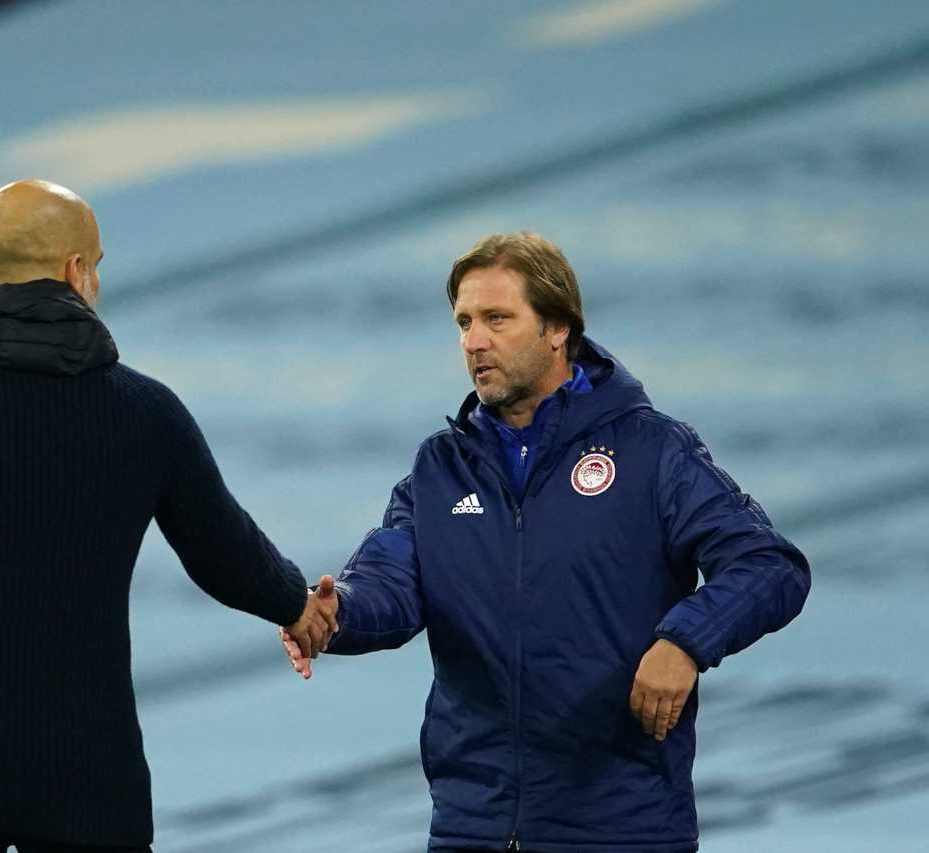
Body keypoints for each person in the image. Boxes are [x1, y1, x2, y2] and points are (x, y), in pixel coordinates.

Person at [0, 179, 336, 853]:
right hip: (85, 769)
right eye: (98, 265)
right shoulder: (144, 411)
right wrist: (295, 604)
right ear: (76, 271)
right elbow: (222, 547)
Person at [280, 232, 810, 853]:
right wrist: (333, 612)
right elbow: (391, 582)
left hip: (621, 829)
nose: (474, 341)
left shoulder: (651, 452)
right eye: (464, 323)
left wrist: (685, 643)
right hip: (472, 828)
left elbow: (768, 565)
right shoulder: (441, 469)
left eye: (497, 319)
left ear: (558, 328)